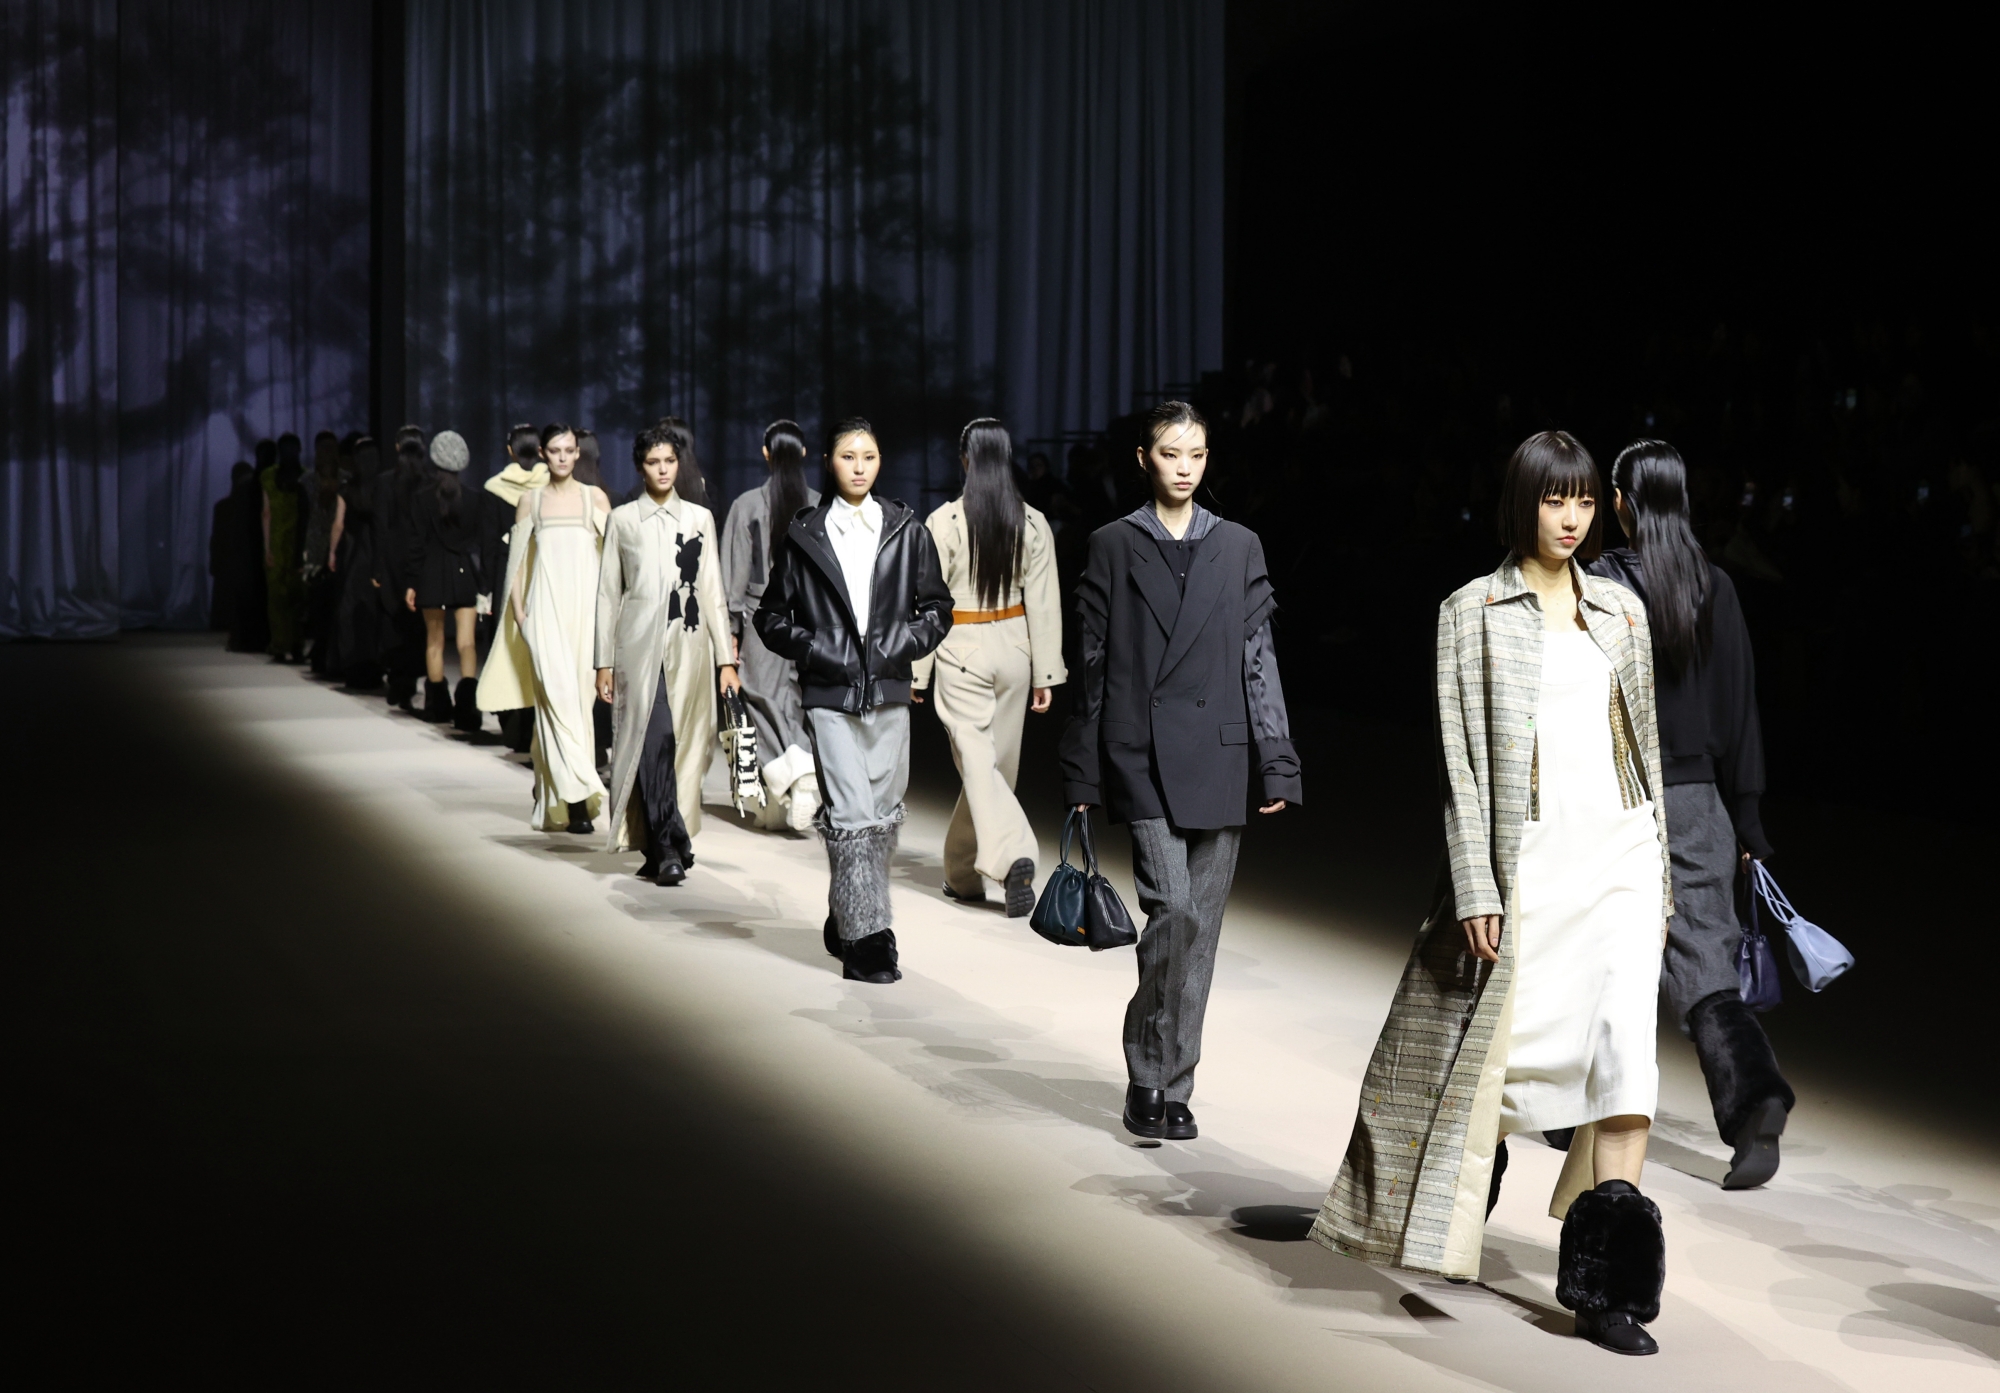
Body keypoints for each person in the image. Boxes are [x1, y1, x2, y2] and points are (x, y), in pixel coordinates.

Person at [1311, 431, 1673, 1356]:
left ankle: (1608, 1287)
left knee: (1625, 1055)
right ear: (1524, 503)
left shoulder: (1623, 612)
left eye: (1587, 502)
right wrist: (1477, 880)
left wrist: (1663, 868)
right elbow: (1461, 771)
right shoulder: (1471, 611)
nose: (1572, 518)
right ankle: (1463, 1179)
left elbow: (1648, 754)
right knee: (1498, 1055)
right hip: (1534, 863)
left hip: (1622, 858)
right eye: (1557, 500)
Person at [1059, 400, 1300, 1143]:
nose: (1185, 466)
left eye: (1196, 453)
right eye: (1170, 453)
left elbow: (1258, 662)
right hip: (1140, 752)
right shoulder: (1111, 545)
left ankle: (1177, 1082)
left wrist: (1278, 762)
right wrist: (1082, 775)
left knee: (1205, 930)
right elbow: (1092, 665)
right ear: (1143, 458)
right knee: (1175, 912)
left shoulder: (1241, 546)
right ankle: (1146, 1068)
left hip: (1223, 755)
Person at [1590, 439, 1792, 1188]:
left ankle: (1574, 1107)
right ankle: (1754, 1107)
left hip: (1620, 793)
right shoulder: (1717, 586)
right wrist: (1748, 820)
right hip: (1701, 799)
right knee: (1708, 965)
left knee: (1606, 952)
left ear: (1620, 501)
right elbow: (1742, 714)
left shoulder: (1603, 585)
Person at [755, 417, 953, 983]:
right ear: (829, 461)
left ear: (880, 460)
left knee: (883, 812)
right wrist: (818, 648)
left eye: (869, 456)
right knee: (853, 813)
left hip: (890, 690)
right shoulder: (806, 534)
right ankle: (870, 940)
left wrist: (898, 644)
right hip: (830, 693)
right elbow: (770, 616)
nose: (860, 466)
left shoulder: (905, 529)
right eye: (848, 456)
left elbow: (938, 609)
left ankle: (848, 907)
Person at [911, 418, 1065, 915]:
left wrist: (919, 670)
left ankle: (1016, 851)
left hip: (962, 646)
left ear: (965, 461)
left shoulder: (946, 522)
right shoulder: (1034, 522)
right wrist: (1045, 672)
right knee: (993, 771)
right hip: (1016, 648)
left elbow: (929, 605)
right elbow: (1044, 603)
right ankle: (961, 875)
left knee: (981, 767)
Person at [594, 423, 737, 883]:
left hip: (689, 646)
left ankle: (667, 841)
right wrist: (603, 661)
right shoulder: (622, 520)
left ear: (680, 464)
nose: (662, 469)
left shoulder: (699, 519)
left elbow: (713, 591)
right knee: (652, 742)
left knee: (687, 748)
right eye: (653, 462)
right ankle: (666, 845)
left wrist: (726, 660)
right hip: (637, 650)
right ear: (640, 466)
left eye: (669, 461)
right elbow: (607, 595)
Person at [501, 422, 610, 832]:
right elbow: (516, 564)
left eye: (569, 450)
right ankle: (580, 796)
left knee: (579, 707)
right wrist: (520, 615)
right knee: (555, 703)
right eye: (555, 450)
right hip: (544, 613)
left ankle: (564, 795)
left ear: (578, 453)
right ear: (543, 454)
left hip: (584, 616)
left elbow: (614, 558)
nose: (563, 457)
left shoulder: (593, 499)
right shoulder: (531, 502)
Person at [720, 419, 822, 830]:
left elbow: (734, 576)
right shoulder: (819, 506)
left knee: (759, 700)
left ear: (765, 453)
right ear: (803, 454)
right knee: (794, 701)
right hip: (810, 620)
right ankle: (799, 777)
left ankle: (793, 771)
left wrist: (729, 631)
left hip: (761, 617)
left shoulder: (747, 505)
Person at [403, 430, 484, 730]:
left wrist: (411, 582)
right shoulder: (475, 500)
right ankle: (468, 710)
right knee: (466, 642)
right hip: (464, 575)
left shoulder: (421, 500)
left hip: (431, 575)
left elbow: (416, 544)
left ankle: (437, 708)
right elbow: (478, 542)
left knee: (434, 642)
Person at [477, 423, 548, 752]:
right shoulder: (550, 485)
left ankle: (512, 725)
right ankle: (536, 724)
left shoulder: (494, 487)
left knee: (507, 644)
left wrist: (485, 589)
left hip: (506, 573)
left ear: (509, 450)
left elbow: (489, 545)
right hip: (541, 571)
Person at [374, 429, 430, 711]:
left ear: (397, 447)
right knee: (418, 623)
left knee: (393, 621)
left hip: (393, 560)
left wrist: (378, 568)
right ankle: (408, 680)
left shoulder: (385, 482)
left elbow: (381, 527)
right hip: (420, 560)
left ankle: (399, 680)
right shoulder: (428, 481)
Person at [333, 436, 384, 690]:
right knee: (375, 612)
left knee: (351, 612)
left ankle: (353, 667)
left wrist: (331, 553)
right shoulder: (384, 486)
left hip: (354, 556)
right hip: (378, 555)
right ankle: (375, 667)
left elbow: (339, 524)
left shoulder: (347, 488)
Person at [261, 433, 308, 662]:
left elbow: (266, 514)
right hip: (298, 541)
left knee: (277, 598)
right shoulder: (305, 477)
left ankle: (280, 645)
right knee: (296, 598)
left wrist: (267, 547)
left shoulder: (269, 477)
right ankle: (297, 645)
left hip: (277, 542)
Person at [304, 431, 345, 676]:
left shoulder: (344, 480)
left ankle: (326, 657)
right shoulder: (308, 481)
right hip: (323, 547)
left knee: (329, 606)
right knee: (323, 606)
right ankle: (324, 657)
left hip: (332, 547)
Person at [211, 461, 254, 637]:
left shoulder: (224, 506)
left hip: (233, 557)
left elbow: (216, 538)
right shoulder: (225, 507)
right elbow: (216, 537)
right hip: (231, 557)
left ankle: (228, 622)